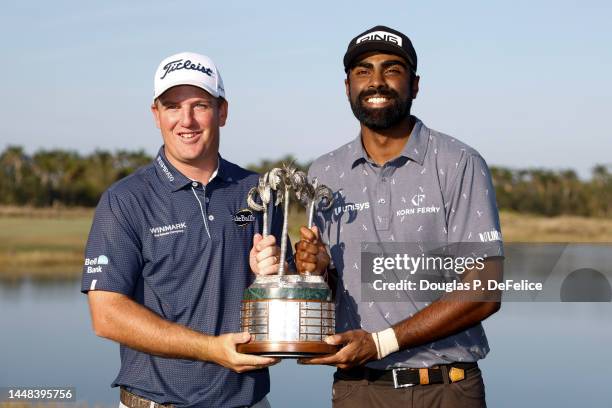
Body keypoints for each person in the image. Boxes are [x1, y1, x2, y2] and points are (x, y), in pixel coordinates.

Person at [294, 26, 504, 407]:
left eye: (391, 70)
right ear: (347, 87)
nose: (376, 82)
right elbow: (330, 290)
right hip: (358, 389)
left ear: (415, 84)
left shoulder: (458, 163)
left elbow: (483, 292)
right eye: (363, 71)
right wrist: (318, 271)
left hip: (445, 388)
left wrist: (380, 343)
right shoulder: (324, 173)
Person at [81, 52, 286, 408]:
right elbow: (107, 315)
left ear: (222, 112)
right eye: (173, 106)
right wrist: (211, 349)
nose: (186, 120)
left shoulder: (256, 195)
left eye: (200, 105)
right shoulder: (125, 201)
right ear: (156, 115)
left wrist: (273, 272)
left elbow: (243, 236)